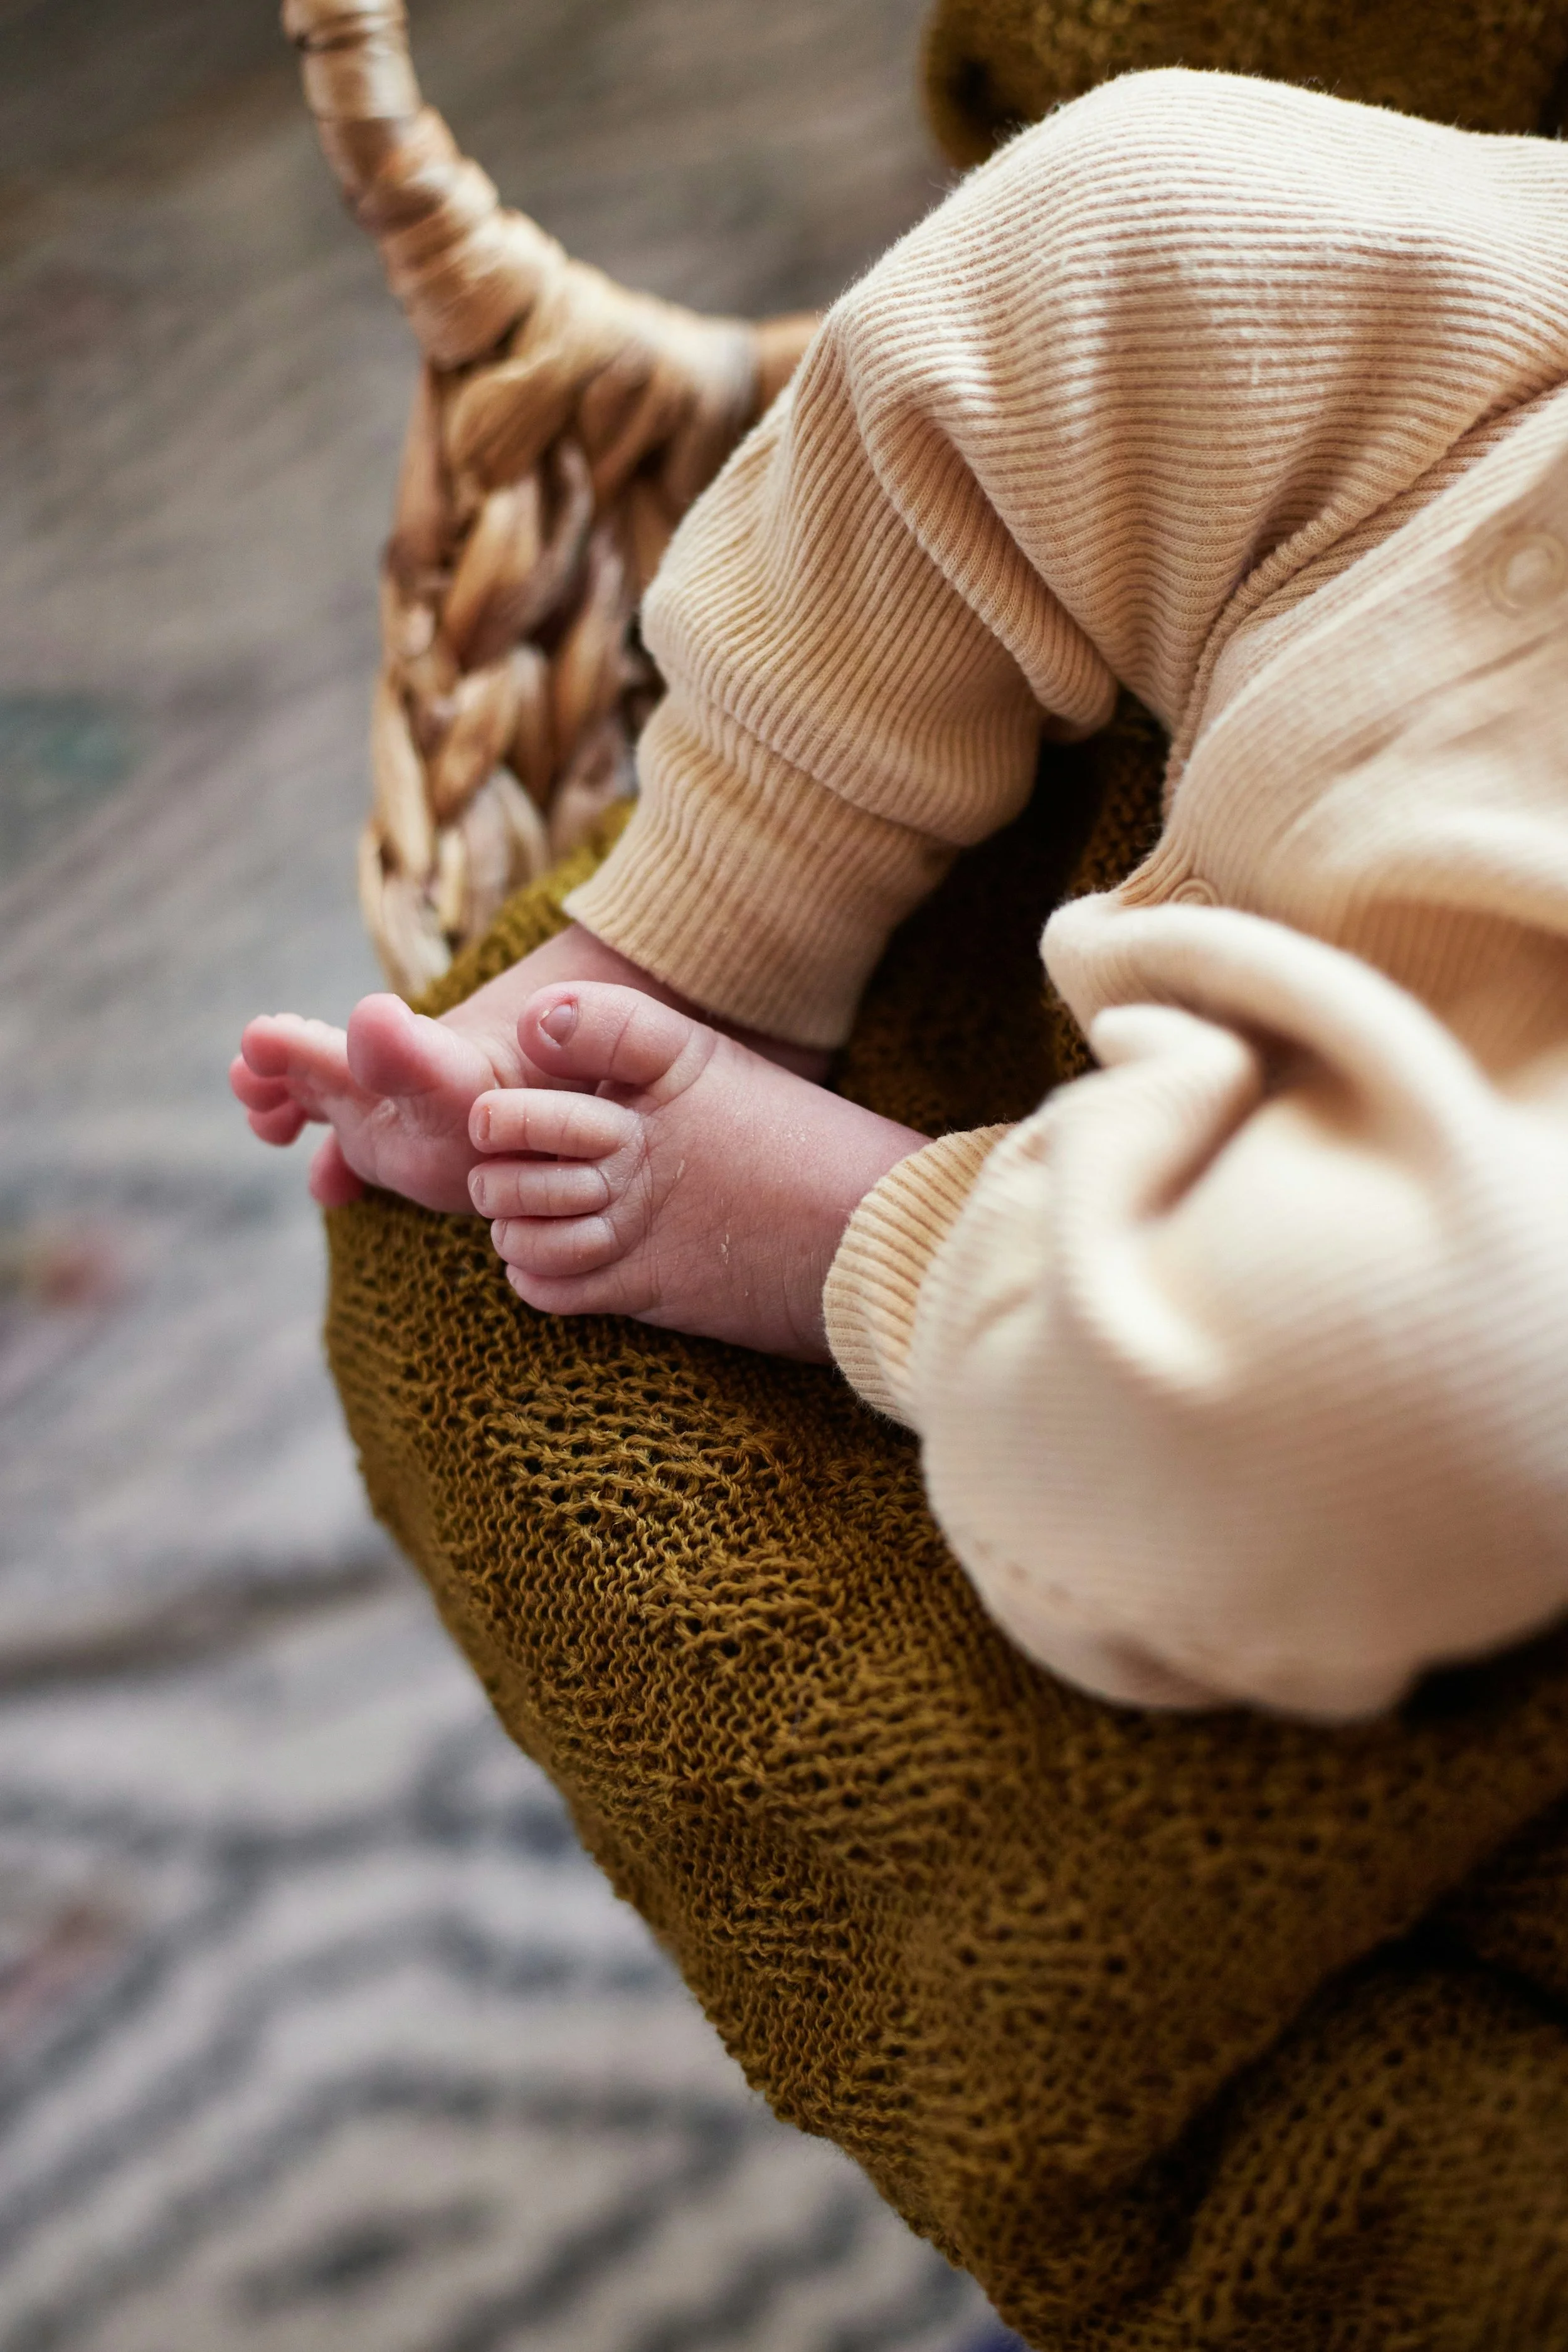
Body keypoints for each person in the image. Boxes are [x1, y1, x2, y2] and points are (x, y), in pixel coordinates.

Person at [232, 68, 1568, 1725]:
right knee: (1123, 215)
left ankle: (895, 1240)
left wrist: (898, 1252)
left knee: (1396, 1400)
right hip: (1502, 421)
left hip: (1506, 1087)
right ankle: (716, 927)